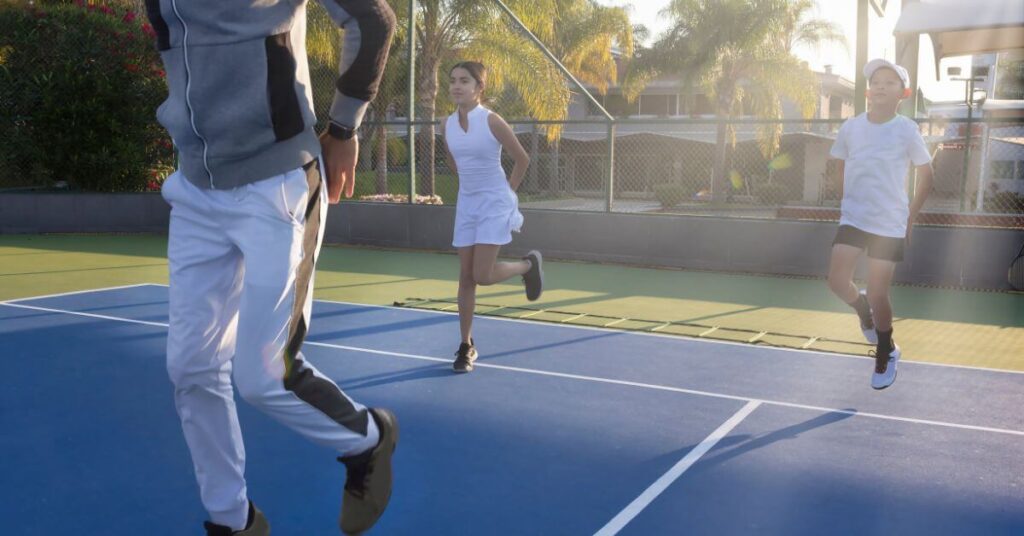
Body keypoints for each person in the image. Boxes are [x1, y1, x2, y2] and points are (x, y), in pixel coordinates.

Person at [143, 1, 397, 533]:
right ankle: (233, 521)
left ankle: (367, 440)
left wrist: (344, 128)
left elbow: (372, 20)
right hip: (196, 187)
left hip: (276, 180)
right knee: (191, 369)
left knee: (263, 376)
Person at [827, 58, 933, 390]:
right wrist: (846, 201)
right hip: (854, 217)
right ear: (868, 90)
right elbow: (840, 166)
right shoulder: (851, 127)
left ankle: (886, 349)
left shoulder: (907, 130)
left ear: (902, 93)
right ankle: (862, 310)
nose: (880, 86)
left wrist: (909, 219)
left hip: (889, 224)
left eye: (889, 82)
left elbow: (926, 175)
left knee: (878, 291)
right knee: (835, 281)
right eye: (875, 81)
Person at [441, 61, 544, 373]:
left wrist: (507, 193)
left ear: (478, 88)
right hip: (467, 204)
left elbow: (522, 159)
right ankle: (466, 345)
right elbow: (453, 159)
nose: (457, 86)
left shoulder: (492, 121)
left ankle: (528, 265)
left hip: (494, 203)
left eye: (465, 81)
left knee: (482, 275)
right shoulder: (445, 124)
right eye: (453, 80)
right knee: (465, 277)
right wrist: (469, 186)